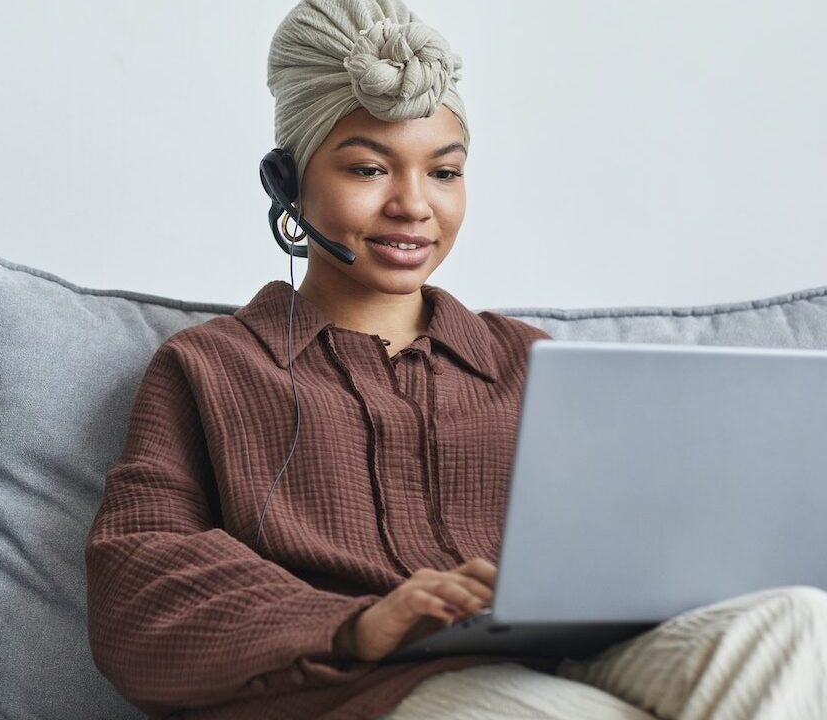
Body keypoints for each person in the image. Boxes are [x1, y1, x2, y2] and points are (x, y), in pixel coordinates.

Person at [84, 1, 827, 718]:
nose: (415, 205)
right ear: (288, 182)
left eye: (443, 172)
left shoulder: (527, 362)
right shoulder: (210, 369)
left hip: (564, 657)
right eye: (369, 170)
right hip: (353, 690)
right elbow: (138, 583)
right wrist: (356, 624)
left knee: (801, 623)